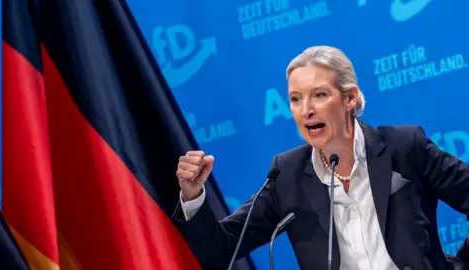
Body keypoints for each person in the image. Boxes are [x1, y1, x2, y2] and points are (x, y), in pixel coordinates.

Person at [173, 45, 469, 270]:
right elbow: (220, 251)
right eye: (296, 99)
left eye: (319, 95)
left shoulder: (404, 147)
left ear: (350, 98)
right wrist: (192, 194)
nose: (306, 110)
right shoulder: (286, 175)